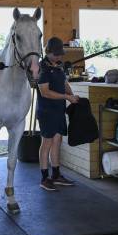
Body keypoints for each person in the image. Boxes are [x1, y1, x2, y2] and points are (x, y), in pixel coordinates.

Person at [36, 36, 78, 191]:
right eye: (56, 54)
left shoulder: (58, 65)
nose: (60, 56)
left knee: (57, 141)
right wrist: (67, 97)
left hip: (59, 110)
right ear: (48, 52)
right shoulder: (43, 69)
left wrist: (72, 95)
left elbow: (64, 83)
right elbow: (45, 92)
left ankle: (56, 174)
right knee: (46, 143)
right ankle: (44, 178)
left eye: (61, 54)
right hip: (47, 112)